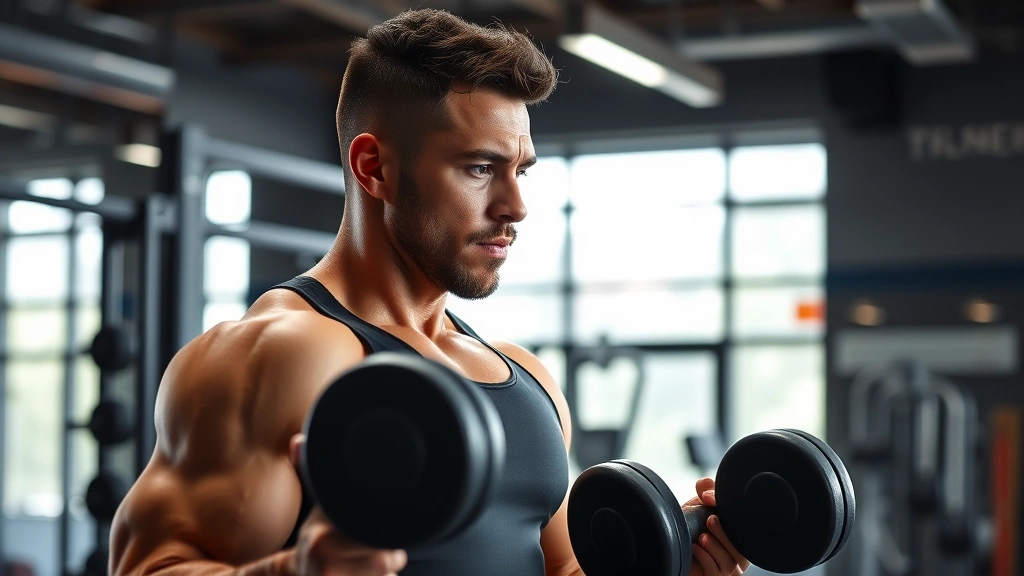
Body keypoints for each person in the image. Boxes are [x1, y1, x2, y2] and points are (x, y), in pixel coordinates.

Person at [109, 9, 750, 576]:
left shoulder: (526, 379)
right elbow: (149, 565)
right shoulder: (285, 353)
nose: (516, 205)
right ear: (374, 168)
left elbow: (561, 569)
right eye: (479, 168)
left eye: (521, 170)